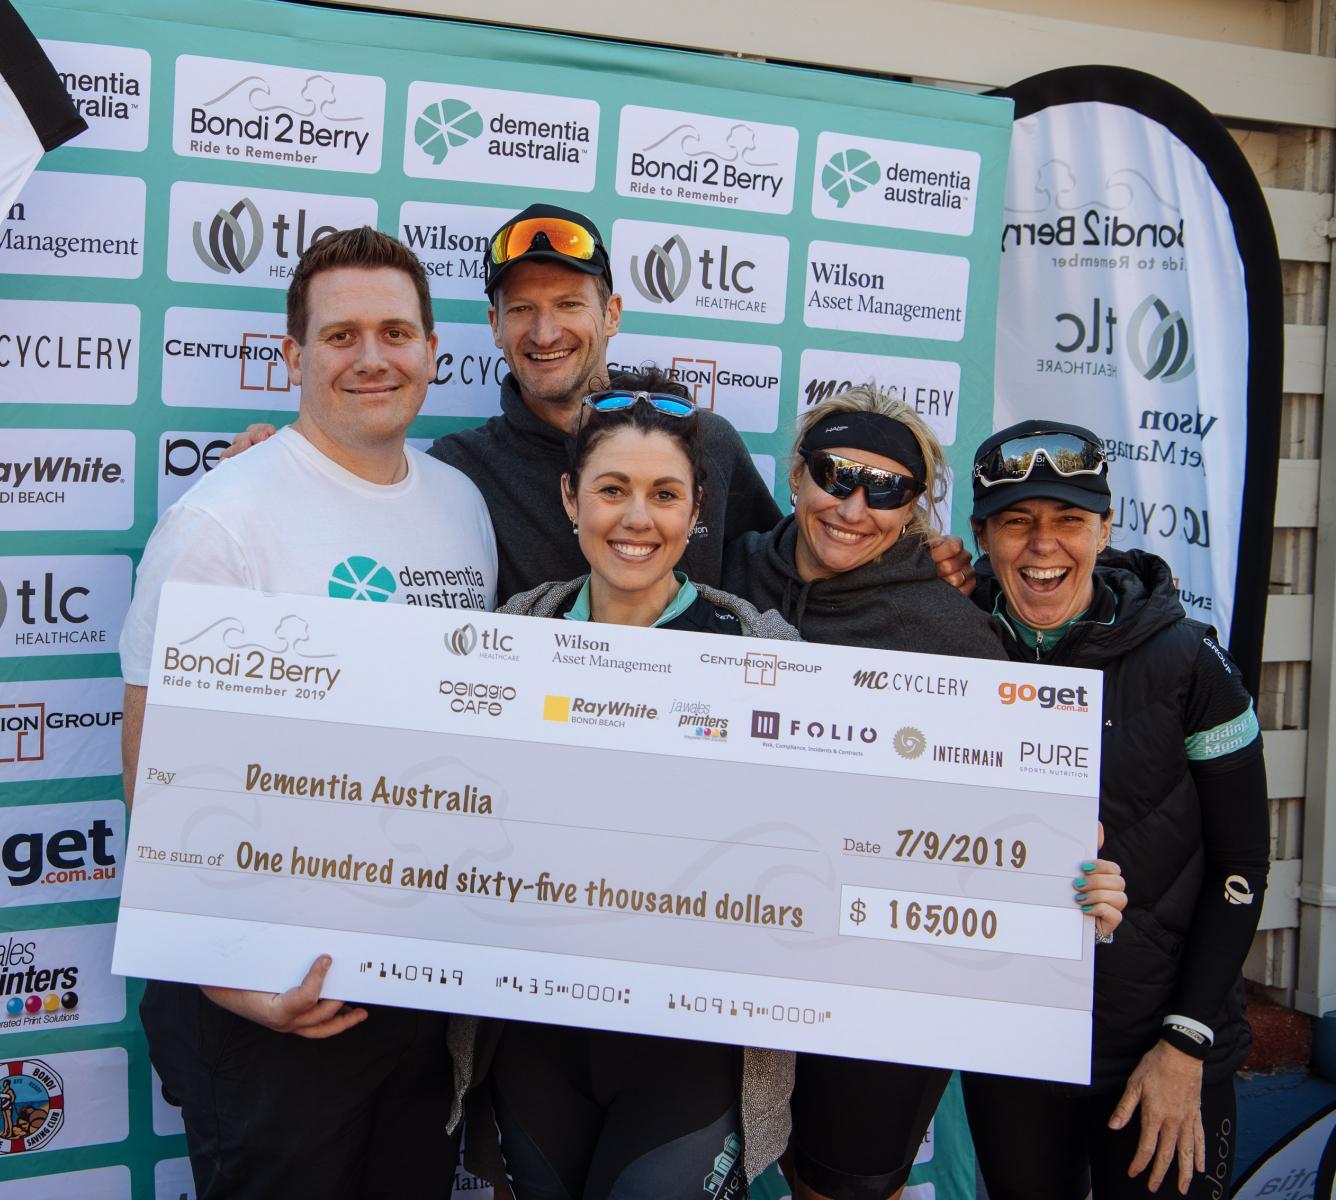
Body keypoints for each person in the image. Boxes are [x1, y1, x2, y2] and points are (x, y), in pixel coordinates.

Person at [118, 227, 497, 1199]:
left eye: (396, 333)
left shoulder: (462, 503)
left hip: (410, 983)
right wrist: (219, 970)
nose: (372, 358)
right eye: (340, 336)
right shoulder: (225, 518)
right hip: (272, 995)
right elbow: (154, 754)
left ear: (431, 351)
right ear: (292, 357)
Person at [720, 387, 1126, 1200]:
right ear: (796, 477)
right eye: (835, 475)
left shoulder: (953, 628)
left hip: (884, 975)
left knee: (840, 1185)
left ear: (915, 508)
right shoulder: (723, 575)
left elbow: (1008, 814)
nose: (854, 506)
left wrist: (1065, 873)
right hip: (736, 943)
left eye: (889, 488)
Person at [450, 369, 800, 1200]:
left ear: (696, 508)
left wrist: (1032, 876)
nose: (637, 519)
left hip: (690, 1053)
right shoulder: (508, 638)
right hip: (540, 1043)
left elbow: (847, 836)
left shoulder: (764, 651)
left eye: (664, 494)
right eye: (612, 489)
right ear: (571, 499)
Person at [959, 420, 1270, 1199]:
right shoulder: (952, 645)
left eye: (1069, 520)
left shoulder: (1190, 660)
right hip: (1016, 1043)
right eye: (1017, 522)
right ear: (981, 535)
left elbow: (1242, 865)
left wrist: (1185, 1042)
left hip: (1157, 1045)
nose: (1043, 546)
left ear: (1106, 527)